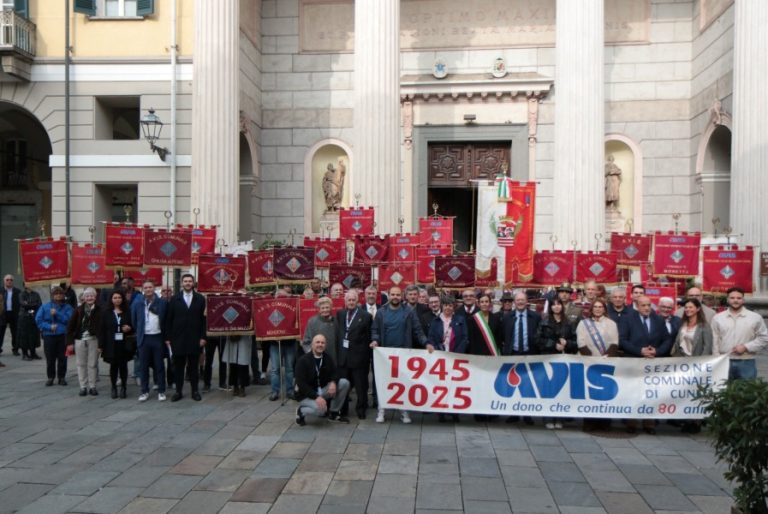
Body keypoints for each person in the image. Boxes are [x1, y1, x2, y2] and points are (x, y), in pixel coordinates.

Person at [370, 286, 427, 424]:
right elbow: (375, 330)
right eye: (393, 294)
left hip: (403, 353)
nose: (395, 297)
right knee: (384, 382)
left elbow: (417, 330)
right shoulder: (381, 312)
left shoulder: (408, 311)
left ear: (401, 296)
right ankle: (382, 410)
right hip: (385, 354)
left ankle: (404, 411)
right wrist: (375, 340)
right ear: (388, 296)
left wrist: (426, 343)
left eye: (397, 295)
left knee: (403, 383)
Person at [619, 295, 673, 434]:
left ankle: (649, 424)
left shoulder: (658, 320)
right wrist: (639, 351)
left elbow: (667, 340)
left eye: (649, 305)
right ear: (637, 306)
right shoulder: (627, 319)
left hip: (653, 363)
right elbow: (622, 340)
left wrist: (657, 351)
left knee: (651, 393)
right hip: (634, 361)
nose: (647, 308)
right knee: (633, 393)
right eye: (643, 305)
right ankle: (632, 423)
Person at [671, 298, 713, 434]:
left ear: (698, 309)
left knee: (696, 392)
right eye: (686, 307)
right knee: (684, 392)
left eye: (691, 307)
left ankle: (696, 422)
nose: (688, 310)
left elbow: (707, 346)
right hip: (682, 363)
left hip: (696, 363)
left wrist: (701, 364)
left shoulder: (704, 326)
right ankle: (685, 419)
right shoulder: (683, 324)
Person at [576, 299, 619, 431]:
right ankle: (589, 422)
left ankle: (604, 422)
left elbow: (614, 342)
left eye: (600, 307)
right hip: (589, 362)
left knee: (605, 393)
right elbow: (581, 342)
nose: (598, 309)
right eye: (595, 307)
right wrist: (591, 359)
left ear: (604, 309)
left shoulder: (611, 323)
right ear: (591, 309)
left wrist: (606, 357)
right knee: (590, 393)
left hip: (606, 362)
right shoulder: (584, 323)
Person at [165, 273, 207, 402]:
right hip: (178, 339)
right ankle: (178, 391)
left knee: (193, 367)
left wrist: (203, 337)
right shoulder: (174, 299)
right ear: (182, 283)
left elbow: (204, 320)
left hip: (195, 338)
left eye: (190, 281)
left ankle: (195, 391)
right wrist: (168, 337)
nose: (188, 283)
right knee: (178, 367)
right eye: (185, 281)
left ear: (193, 283)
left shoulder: (200, 299)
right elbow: (169, 319)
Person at [536, 298, 577, 429]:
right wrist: (553, 344)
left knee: (562, 389)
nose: (556, 307)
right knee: (548, 388)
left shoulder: (569, 322)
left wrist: (567, 343)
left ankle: (560, 417)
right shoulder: (544, 322)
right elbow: (537, 339)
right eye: (553, 305)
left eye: (558, 304)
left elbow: (575, 341)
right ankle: (547, 417)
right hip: (548, 358)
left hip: (563, 360)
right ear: (550, 308)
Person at [426, 296, 468, 423]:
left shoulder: (460, 319)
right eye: (445, 305)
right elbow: (431, 337)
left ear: (453, 306)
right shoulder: (436, 320)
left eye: (450, 305)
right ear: (442, 306)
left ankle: (454, 411)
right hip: (441, 358)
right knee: (441, 385)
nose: (448, 308)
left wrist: (457, 354)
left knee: (454, 385)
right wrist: (434, 348)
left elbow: (465, 338)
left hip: (455, 357)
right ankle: (441, 411)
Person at [712, 287, 768, 380]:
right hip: (724, 361)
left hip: (746, 361)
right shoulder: (718, 318)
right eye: (732, 298)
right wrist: (717, 359)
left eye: (739, 298)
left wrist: (746, 347)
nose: (735, 300)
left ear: (743, 300)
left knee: (747, 388)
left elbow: (764, 337)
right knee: (723, 388)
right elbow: (715, 340)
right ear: (727, 299)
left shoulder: (755, 317)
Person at [502, 291, 541, 425]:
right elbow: (503, 336)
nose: (520, 302)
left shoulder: (535, 317)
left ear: (527, 301)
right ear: (514, 302)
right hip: (512, 354)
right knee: (512, 384)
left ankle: (527, 414)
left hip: (529, 354)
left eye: (522, 300)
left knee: (528, 385)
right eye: (518, 300)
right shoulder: (507, 317)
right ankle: (513, 413)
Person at [295, 334, 350, 425]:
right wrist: (316, 397)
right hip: (306, 395)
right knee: (321, 411)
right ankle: (301, 411)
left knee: (344, 383)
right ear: (312, 345)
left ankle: (333, 414)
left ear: (325, 345)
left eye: (322, 343)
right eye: (317, 342)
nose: (320, 345)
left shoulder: (327, 358)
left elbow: (335, 373)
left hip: (322, 390)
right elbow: (301, 384)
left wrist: (333, 382)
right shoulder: (303, 360)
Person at [335, 289, 373, 419]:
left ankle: (361, 409)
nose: (351, 302)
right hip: (343, 357)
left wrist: (366, 357)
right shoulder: (340, 314)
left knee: (361, 386)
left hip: (359, 357)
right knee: (343, 385)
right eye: (349, 300)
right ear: (345, 301)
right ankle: (343, 409)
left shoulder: (366, 316)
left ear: (357, 301)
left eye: (353, 300)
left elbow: (368, 337)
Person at [132, 280, 168, 402]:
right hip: (144, 338)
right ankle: (144, 391)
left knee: (159, 365)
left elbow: (165, 319)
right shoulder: (138, 303)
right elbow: (134, 320)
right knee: (143, 366)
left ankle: (161, 390)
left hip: (158, 337)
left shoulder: (162, 302)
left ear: (154, 288)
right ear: (143, 289)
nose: (148, 289)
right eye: (146, 287)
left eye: (150, 287)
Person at [35, 286, 75, 386]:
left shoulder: (68, 307)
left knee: (63, 358)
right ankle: (50, 377)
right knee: (50, 358)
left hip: (62, 335)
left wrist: (57, 314)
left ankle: (61, 377)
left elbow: (69, 320)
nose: (58, 295)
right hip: (49, 335)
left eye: (60, 294)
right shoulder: (45, 307)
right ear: (52, 295)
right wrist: (49, 327)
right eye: (56, 294)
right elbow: (38, 320)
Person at [66, 288, 102, 396]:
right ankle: (83, 386)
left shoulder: (100, 310)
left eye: (92, 296)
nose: (89, 298)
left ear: (95, 297)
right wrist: (69, 343)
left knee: (93, 364)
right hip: (80, 340)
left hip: (94, 340)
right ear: (84, 298)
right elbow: (70, 327)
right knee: (81, 364)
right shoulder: (78, 310)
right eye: (87, 296)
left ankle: (92, 386)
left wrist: (101, 344)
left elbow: (103, 328)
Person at [99, 289, 134, 399]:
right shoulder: (106, 312)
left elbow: (133, 325)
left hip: (124, 343)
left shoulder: (127, 311)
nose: (117, 300)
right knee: (113, 366)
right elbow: (102, 330)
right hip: (111, 343)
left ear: (122, 299)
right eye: (115, 298)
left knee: (123, 366)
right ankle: (113, 387)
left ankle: (124, 387)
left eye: (119, 297)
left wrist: (129, 328)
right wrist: (100, 345)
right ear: (111, 299)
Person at [268, 290, 297, 401]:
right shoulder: (269, 308)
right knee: (275, 369)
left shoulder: (291, 308)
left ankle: (289, 391)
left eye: (283, 296)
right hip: (275, 343)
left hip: (289, 342)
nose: (280, 298)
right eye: (279, 296)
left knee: (289, 369)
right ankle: (275, 391)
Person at [363, 285, 381, 409]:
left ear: (376, 295)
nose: (371, 296)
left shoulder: (382, 309)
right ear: (365, 295)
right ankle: (363, 399)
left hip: (378, 347)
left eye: (373, 293)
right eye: (368, 293)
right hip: (363, 347)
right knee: (363, 374)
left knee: (377, 374)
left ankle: (376, 399)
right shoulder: (359, 309)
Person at [17, 283, 42, 360]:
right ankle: (25, 354)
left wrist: (29, 305)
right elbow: (23, 304)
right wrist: (32, 305)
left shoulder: (36, 294)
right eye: (28, 283)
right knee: (24, 336)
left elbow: (39, 304)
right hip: (24, 317)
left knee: (34, 335)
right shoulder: (22, 294)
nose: (30, 284)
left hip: (33, 317)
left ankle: (33, 353)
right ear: (25, 285)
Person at [1, 274, 21, 356]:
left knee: (15, 332)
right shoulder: (0, 290)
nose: (9, 281)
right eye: (7, 280)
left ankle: (15, 349)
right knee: (0, 332)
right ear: (4, 281)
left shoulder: (18, 291)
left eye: (11, 280)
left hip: (14, 314)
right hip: (2, 314)